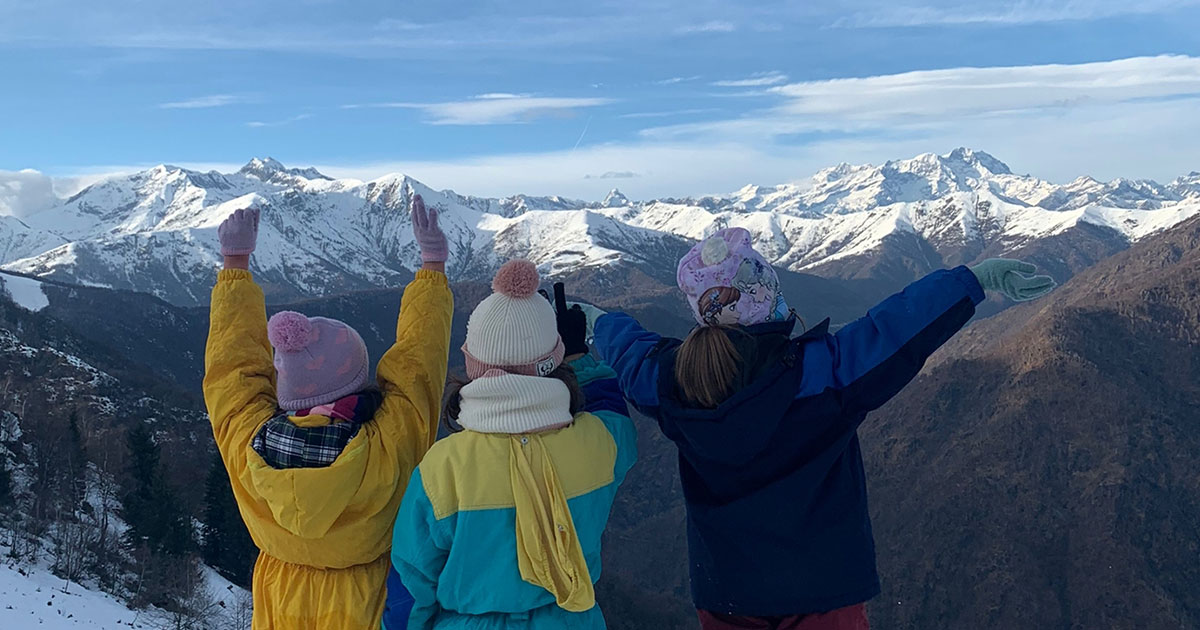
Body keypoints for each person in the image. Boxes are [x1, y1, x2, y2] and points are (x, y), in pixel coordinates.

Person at [589, 227, 1056, 630]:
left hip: (724, 591)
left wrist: (599, 324)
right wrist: (972, 281)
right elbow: (891, 331)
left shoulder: (673, 382)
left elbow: (634, 354)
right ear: (765, 296)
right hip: (822, 590)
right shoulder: (822, 376)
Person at [203, 195, 453, 629]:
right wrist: (431, 267)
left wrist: (234, 264)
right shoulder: (389, 444)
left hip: (280, 598)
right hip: (363, 600)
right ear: (357, 385)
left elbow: (232, 370)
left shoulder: (247, 443)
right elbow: (417, 365)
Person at [388, 261, 636, 629]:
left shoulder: (443, 467)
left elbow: (412, 581)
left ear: (474, 364)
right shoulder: (599, 443)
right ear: (552, 361)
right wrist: (578, 359)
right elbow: (613, 412)